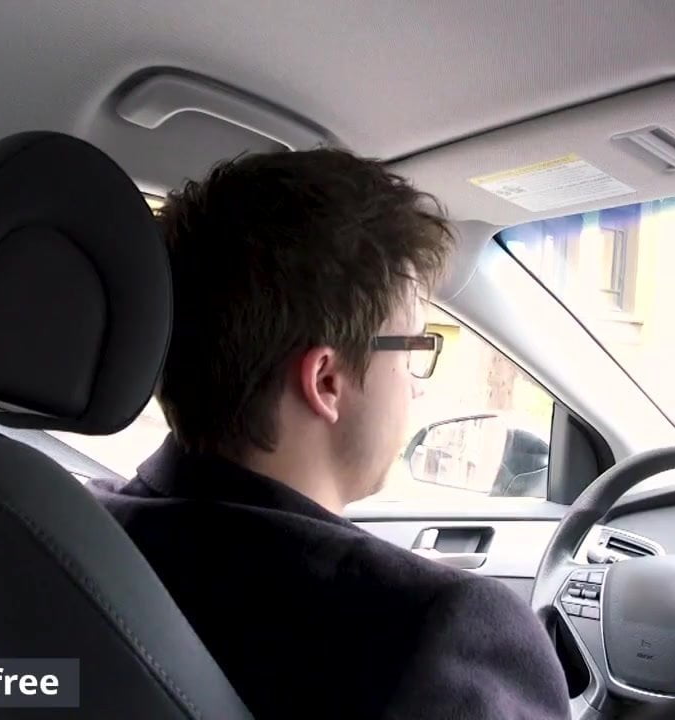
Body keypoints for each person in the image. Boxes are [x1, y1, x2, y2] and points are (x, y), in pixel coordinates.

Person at [91, 149, 570, 719]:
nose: (416, 388)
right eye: (413, 348)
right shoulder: (442, 636)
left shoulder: (69, 535)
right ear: (326, 380)